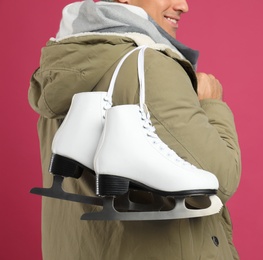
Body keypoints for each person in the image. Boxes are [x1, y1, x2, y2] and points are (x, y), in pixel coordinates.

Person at [28, 0, 241, 259]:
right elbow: (219, 183)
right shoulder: (151, 66)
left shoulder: (64, 67)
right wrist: (212, 105)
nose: (184, 6)